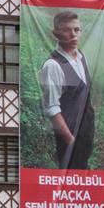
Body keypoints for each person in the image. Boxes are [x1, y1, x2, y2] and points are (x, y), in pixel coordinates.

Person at [38, 11, 95, 170]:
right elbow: (52, 109)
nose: (73, 34)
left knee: (82, 175)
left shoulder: (81, 56)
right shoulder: (53, 65)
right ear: (56, 34)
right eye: (67, 30)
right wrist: (70, 140)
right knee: (70, 177)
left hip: (85, 134)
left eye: (76, 30)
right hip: (69, 138)